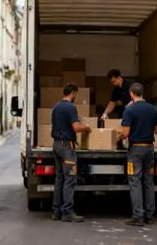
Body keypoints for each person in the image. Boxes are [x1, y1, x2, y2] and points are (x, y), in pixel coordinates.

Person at [118, 83, 157, 227]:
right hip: (149, 149)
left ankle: (138, 216)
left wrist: (118, 137)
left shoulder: (129, 110)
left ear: (131, 94)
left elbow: (125, 133)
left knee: (135, 182)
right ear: (142, 93)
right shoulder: (152, 109)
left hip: (135, 151)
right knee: (148, 182)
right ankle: (149, 215)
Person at [51, 83, 92, 223]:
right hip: (66, 148)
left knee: (59, 179)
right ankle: (68, 212)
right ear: (73, 93)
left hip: (56, 145)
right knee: (70, 179)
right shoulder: (71, 108)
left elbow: (61, 127)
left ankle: (56, 212)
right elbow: (76, 127)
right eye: (76, 94)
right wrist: (86, 128)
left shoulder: (56, 107)